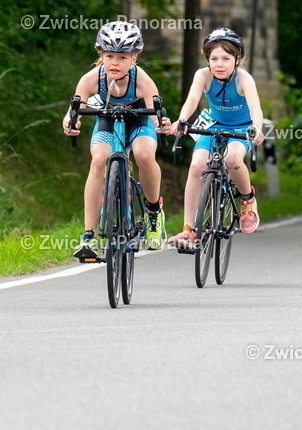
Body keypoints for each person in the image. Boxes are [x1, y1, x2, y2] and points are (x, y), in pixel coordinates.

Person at [62, 21, 167, 258]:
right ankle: (88, 235)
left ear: (134, 58)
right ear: (101, 55)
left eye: (122, 57)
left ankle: (153, 213)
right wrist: (71, 122)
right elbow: (74, 110)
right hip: (108, 121)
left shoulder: (142, 80)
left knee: (144, 154)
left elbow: (156, 112)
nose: (115, 63)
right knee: (99, 159)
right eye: (109, 56)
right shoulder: (91, 79)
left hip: (139, 121)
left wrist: (162, 124)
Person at [163, 27, 265, 247]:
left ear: (237, 59)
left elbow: (255, 107)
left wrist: (256, 128)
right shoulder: (203, 75)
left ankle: (247, 199)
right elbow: (191, 101)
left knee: (232, 159)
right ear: (207, 59)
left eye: (226, 58)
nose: (219, 64)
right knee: (197, 165)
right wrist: (182, 120)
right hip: (213, 124)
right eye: (214, 58)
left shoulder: (243, 79)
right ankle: (188, 230)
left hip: (241, 127)